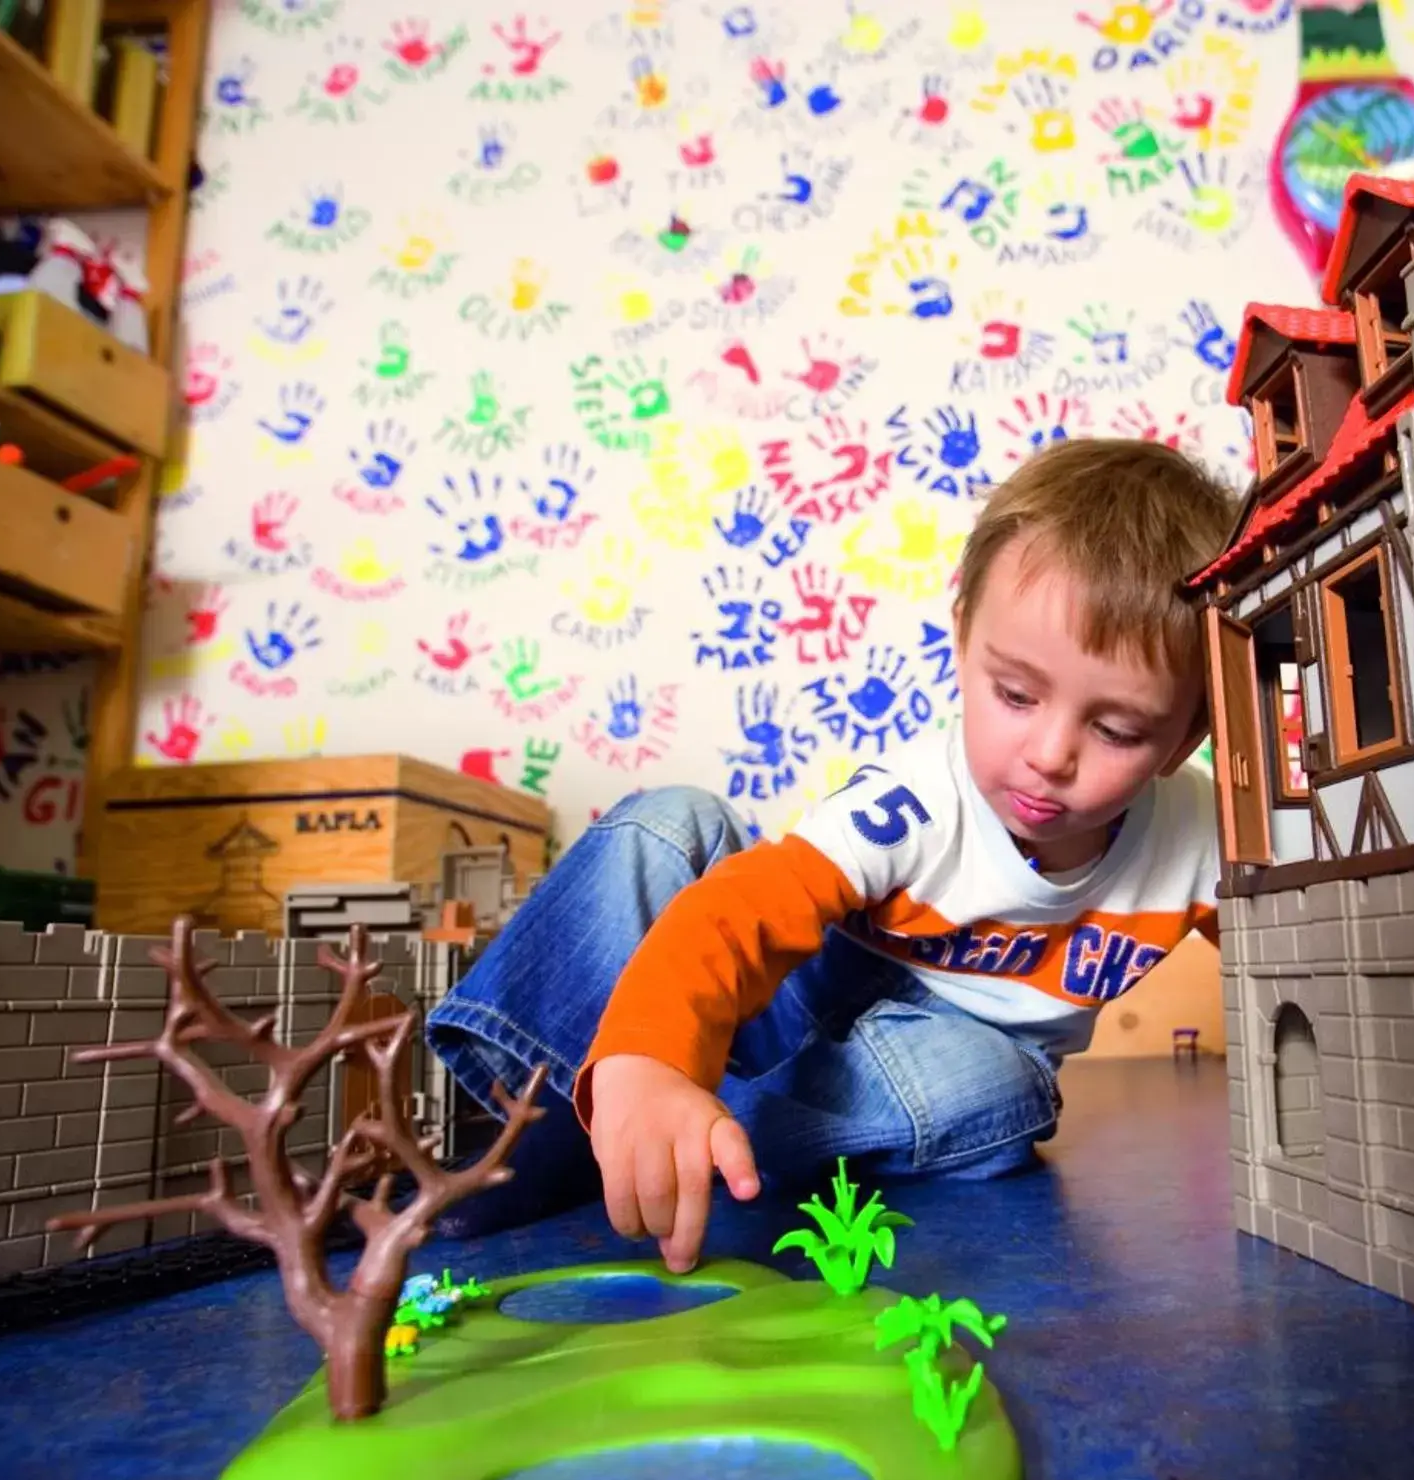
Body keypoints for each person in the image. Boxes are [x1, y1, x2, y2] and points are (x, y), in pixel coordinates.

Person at [426, 436, 1234, 1269]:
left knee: (1000, 1090)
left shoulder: (1203, 836)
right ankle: (546, 1116)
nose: (1051, 753)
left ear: (1186, 738)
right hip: (793, 995)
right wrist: (652, 1053)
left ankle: (680, 1136)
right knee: (666, 822)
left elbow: (1299, 952)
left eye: (1116, 729)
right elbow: (737, 914)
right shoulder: (918, 801)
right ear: (962, 644)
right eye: (1016, 695)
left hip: (925, 1063)